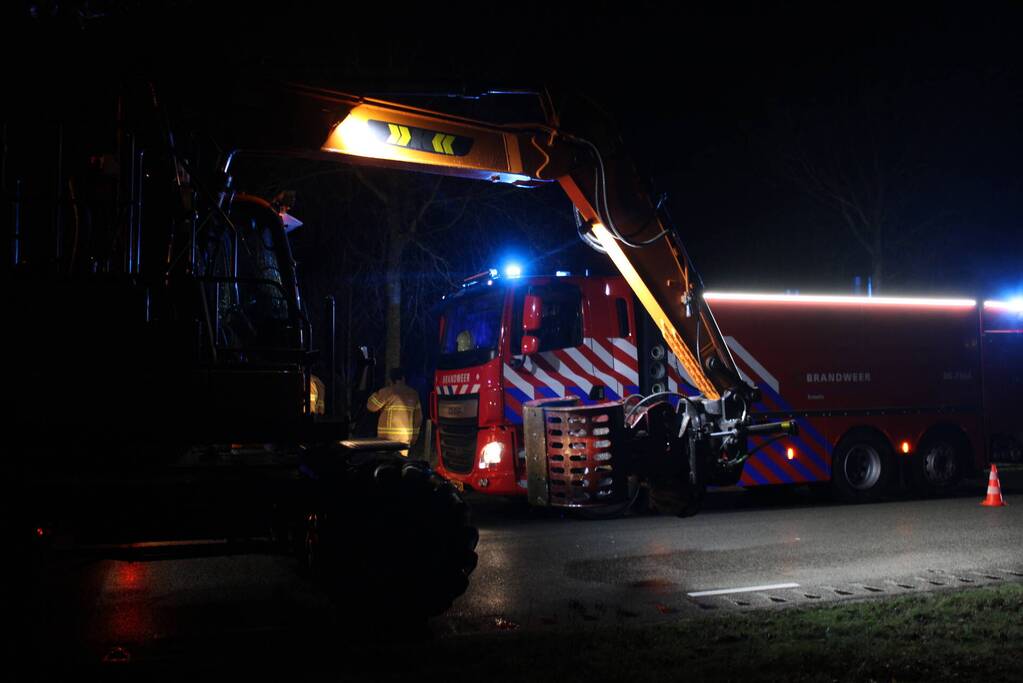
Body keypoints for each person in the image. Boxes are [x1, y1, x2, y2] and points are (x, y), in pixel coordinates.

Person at [366, 367, 423, 457]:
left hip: (386, 439)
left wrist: (374, 394)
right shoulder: (414, 394)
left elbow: (371, 407)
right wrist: (414, 436)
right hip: (405, 438)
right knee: (400, 464)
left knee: (386, 464)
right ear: (403, 378)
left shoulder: (387, 391)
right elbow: (418, 418)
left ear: (390, 379)